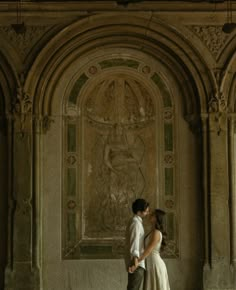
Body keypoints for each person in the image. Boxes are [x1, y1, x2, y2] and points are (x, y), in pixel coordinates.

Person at [129, 209, 170, 290]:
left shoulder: (156, 233)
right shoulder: (152, 231)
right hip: (150, 265)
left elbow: (148, 251)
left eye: (153, 215)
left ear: (157, 218)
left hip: (155, 265)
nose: (150, 215)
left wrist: (136, 262)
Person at [125, 198, 150, 290]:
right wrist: (135, 261)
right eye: (146, 210)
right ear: (139, 211)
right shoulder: (136, 223)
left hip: (137, 262)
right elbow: (134, 242)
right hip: (137, 263)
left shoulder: (136, 222)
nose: (147, 212)